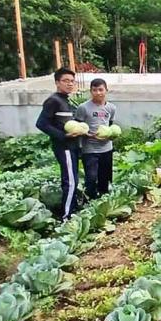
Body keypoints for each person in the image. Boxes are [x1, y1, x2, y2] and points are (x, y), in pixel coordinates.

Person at [36, 68, 83, 221]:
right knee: (70, 181)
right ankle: (66, 217)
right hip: (65, 147)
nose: (70, 84)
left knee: (73, 179)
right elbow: (41, 123)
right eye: (65, 81)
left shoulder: (67, 100)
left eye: (72, 81)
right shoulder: (53, 101)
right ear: (57, 83)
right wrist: (63, 136)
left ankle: (73, 209)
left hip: (73, 146)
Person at [75, 78, 117, 200]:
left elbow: (110, 125)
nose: (98, 93)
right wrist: (87, 135)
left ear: (106, 90)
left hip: (106, 148)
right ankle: (90, 200)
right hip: (90, 149)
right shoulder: (83, 107)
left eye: (101, 89)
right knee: (91, 178)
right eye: (94, 90)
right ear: (90, 91)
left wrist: (111, 135)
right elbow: (77, 127)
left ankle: (103, 201)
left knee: (105, 177)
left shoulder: (111, 108)